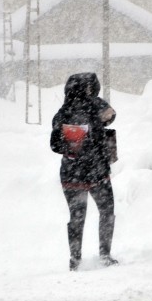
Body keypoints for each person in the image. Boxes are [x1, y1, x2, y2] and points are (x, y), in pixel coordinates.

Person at [50, 73, 118, 271]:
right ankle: (105, 255)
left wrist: (73, 142)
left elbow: (54, 144)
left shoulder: (63, 112)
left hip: (72, 174)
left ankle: (75, 260)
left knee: (77, 216)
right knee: (106, 211)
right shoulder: (96, 104)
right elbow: (111, 116)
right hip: (97, 173)